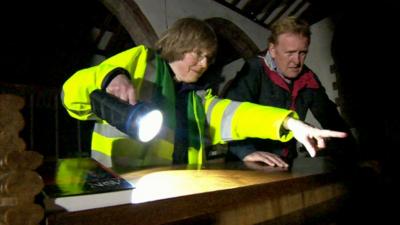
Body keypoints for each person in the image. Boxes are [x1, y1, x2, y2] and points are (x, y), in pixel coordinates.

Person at [61, 17, 347, 168]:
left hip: (173, 189)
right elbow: (71, 93)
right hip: (119, 186)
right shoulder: (138, 62)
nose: (204, 64)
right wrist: (112, 77)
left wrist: (289, 122)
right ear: (178, 45)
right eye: (198, 54)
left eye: (209, 57)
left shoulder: (197, 99)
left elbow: (236, 114)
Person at [223, 16, 356, 168]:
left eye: (302, 53)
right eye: (290, 53)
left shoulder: (308, 78)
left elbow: (332, 119)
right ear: (272, 50)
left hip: (286, 163)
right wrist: (244, 152)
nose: (297, 61)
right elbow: (230, 112)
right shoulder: (254, 70)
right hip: (248, 164)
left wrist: (357, 158)